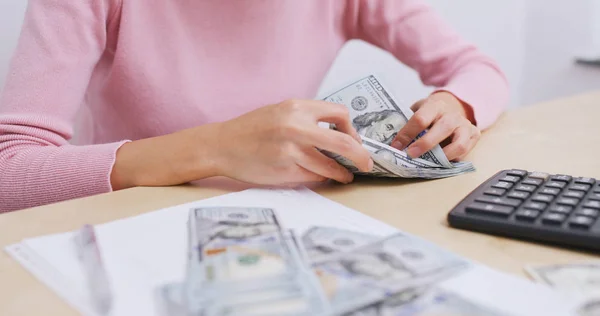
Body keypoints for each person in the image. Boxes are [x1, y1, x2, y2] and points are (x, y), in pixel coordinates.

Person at [0, 1, 509, 212]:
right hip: (121, 217)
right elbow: (9, 168)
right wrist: (219, 146)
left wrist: (459, 104)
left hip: (290, 217)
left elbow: (477, 67)